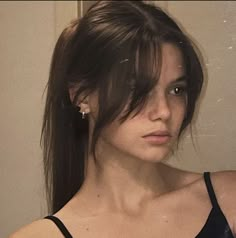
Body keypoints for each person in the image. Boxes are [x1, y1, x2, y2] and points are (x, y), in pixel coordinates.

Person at [10, 1, 236, 238]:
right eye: (137, 89)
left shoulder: (228, 200)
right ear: (82, 95)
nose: (164, 111)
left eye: (176, 90)